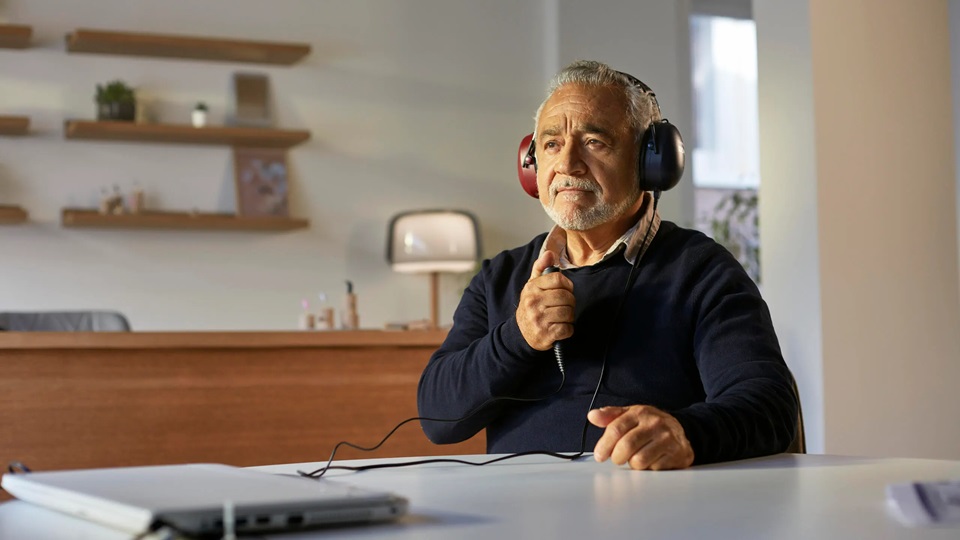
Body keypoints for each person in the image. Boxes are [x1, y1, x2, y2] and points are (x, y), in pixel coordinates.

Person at [416, 60, 798, 470]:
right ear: (531, 166)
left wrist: (686, 432)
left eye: (595, 142)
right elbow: (438, 419)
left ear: (651, 161)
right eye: (551, 144)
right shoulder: (500, 277)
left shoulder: (701, 270)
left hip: (649, 510)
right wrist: (517, 338)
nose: (568, 163)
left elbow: (768, 407)